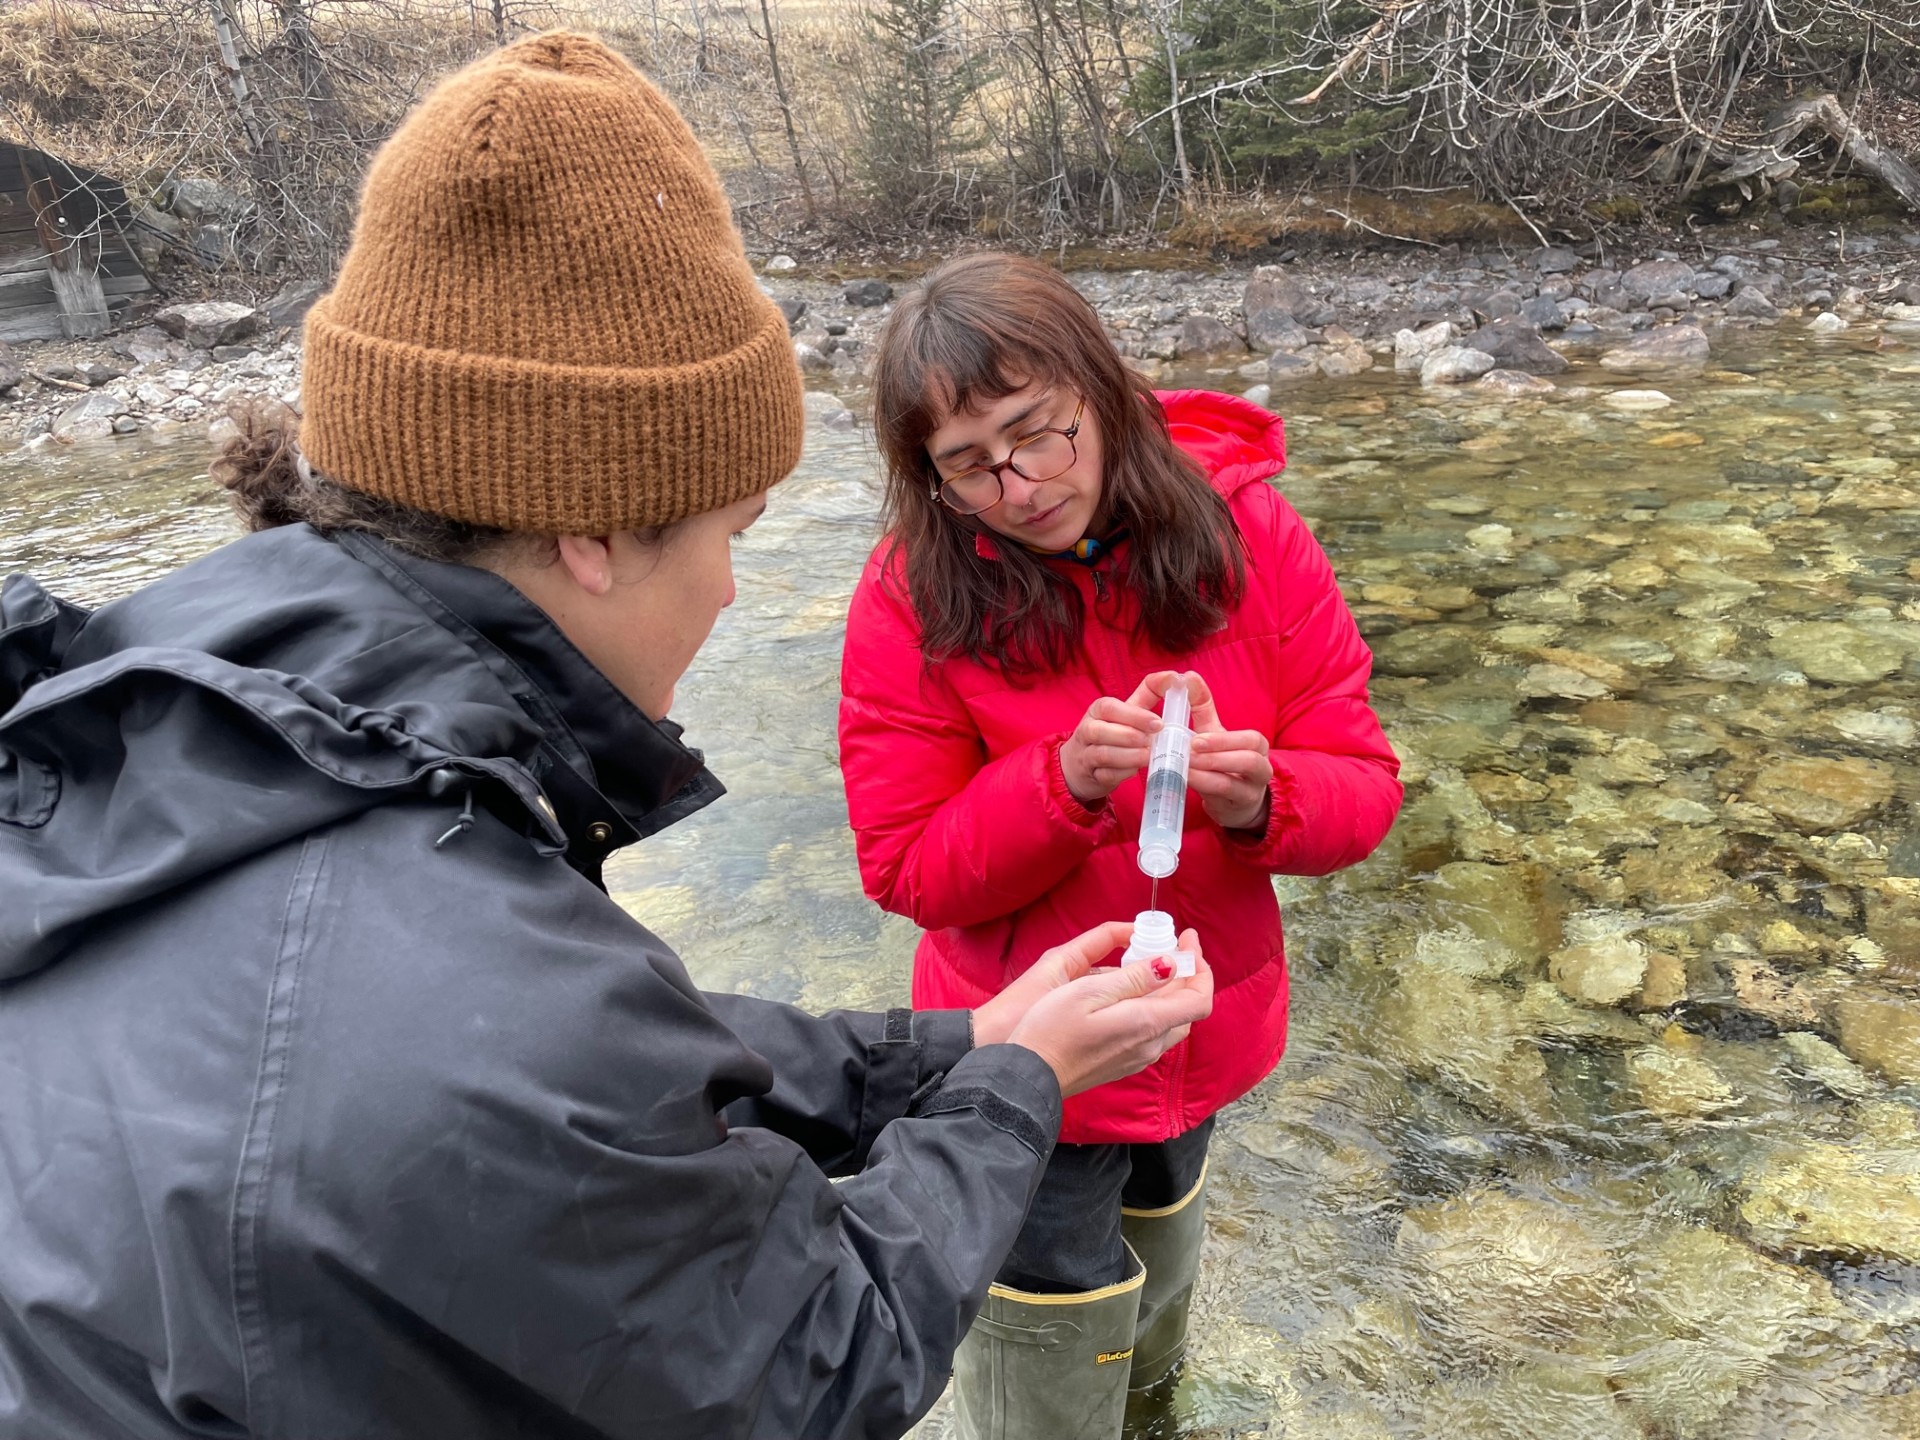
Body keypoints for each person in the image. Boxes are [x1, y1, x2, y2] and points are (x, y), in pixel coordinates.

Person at [0, 38, 1213, 1440]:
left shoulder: (146, 732)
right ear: (592, 531)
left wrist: (954, 1045)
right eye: (731, 533)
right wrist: (1017, 1087)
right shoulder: (486, 1006)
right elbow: (808, 1366)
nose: (734, 590)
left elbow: (588, 1072)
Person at [839, 253, 1402, 1439]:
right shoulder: (909, 598)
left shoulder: (1247, 529)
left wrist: (1265, 800)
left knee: (1161, 1270)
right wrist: (1057, 785)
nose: (1019, 485)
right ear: (926, 478)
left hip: (1205, 1024)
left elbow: (1363, 789)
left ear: (1099, 389)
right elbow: (905, 867)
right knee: (1048, 1311)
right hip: (1030, 1057)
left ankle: (1153, 1414)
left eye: (1036, 435)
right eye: (968, 466)